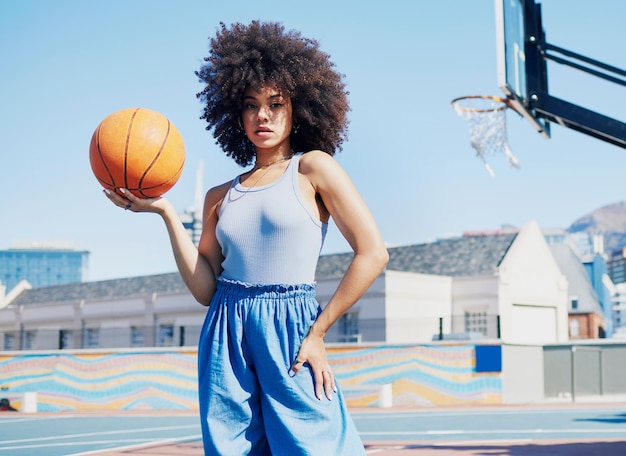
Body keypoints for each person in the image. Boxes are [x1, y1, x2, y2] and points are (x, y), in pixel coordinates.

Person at [104, 20, 388, 455]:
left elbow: (373, 254)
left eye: (276, 103)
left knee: (318, 445)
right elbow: (205, 289)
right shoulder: (220, 196)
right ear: (235, 115)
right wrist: (164, 212)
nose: (263, 115)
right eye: (251, 105)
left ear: (299, 108)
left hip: (292, 325)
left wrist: (317, 333)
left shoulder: (313, 169)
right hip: (226, 328)